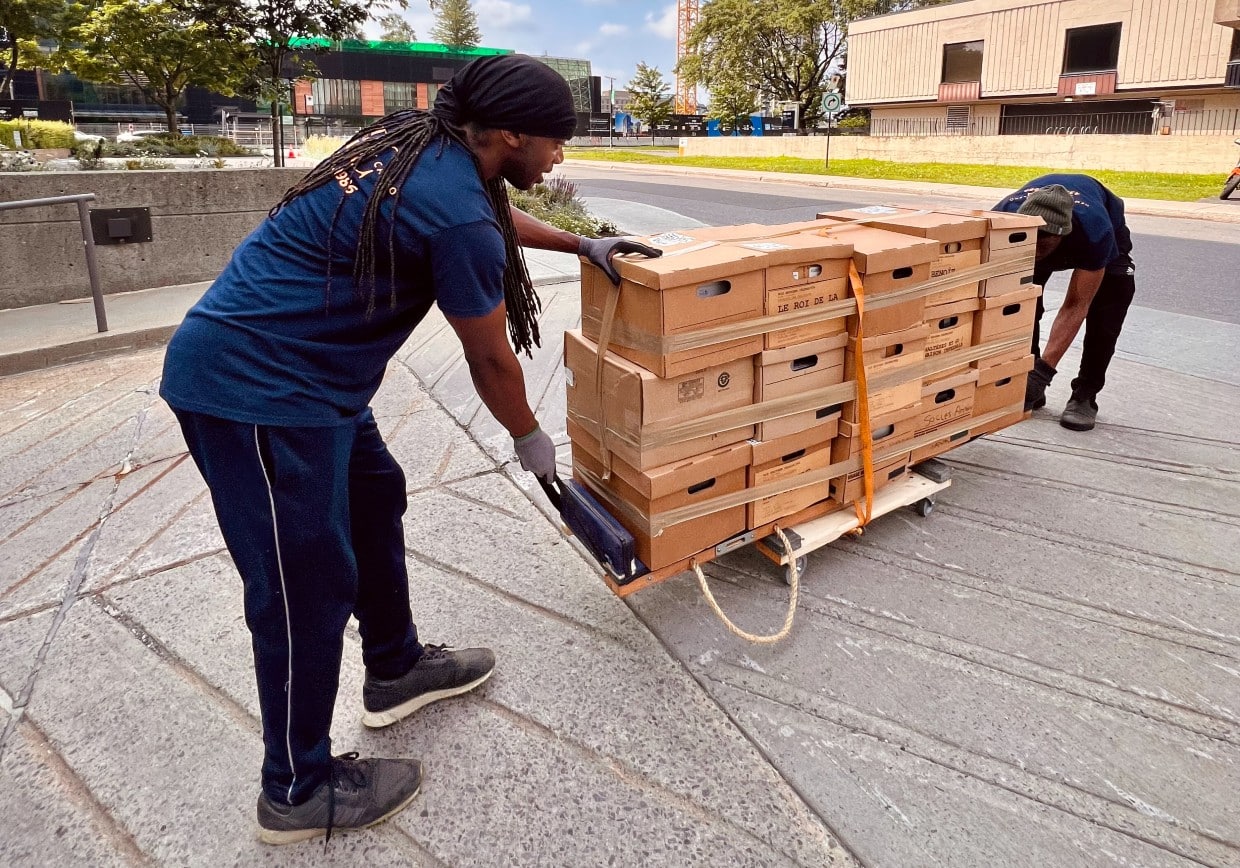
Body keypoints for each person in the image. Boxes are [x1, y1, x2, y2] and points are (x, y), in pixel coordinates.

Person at [158, 54, 660, 845]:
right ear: (509, 135)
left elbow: (484, 219)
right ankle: (296, 789)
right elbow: (491, 356)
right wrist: (530, 438)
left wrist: (580, 244)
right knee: (302, 588)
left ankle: (393, 669)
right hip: (254, 391)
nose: (562, 156)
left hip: (319, 386)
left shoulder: (427, 149)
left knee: (375, 494)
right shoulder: (451, 200)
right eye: (557, 142)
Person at [992, 175, 1136, 431]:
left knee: (1109, 308)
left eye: (1043, 242)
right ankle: (1027, 377)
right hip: (1027, 234)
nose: (1035, 251)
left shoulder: (1094, 233)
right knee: (1021, 302)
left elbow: (1075, 306)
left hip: (1102, 229)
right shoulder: (1003, 218)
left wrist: (1044, 371)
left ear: (1062, 235)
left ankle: (1085, 395)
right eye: (1031, 240)